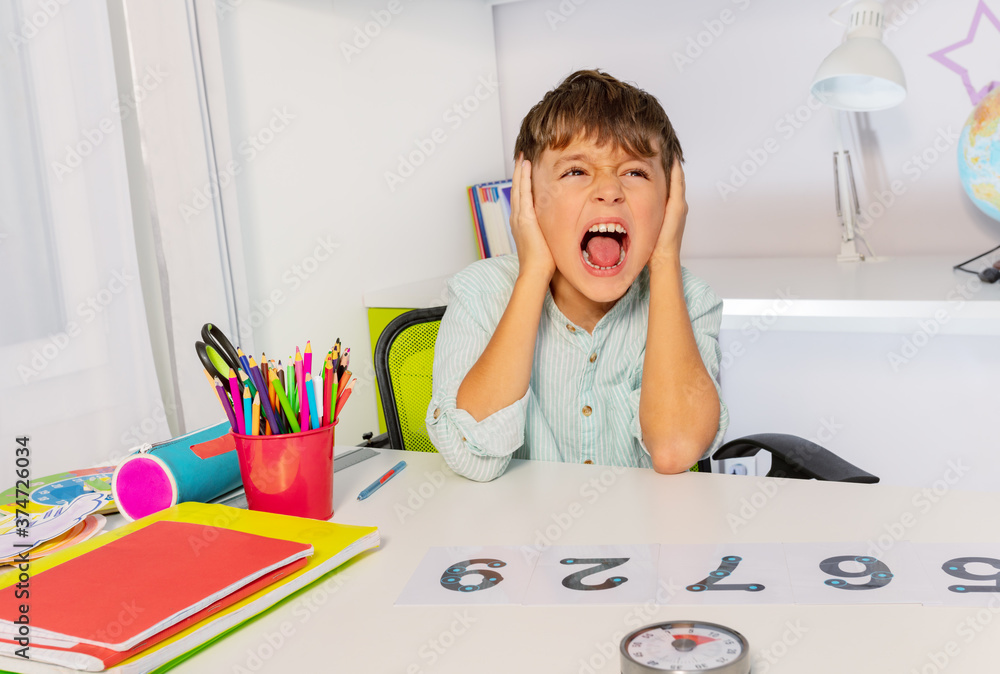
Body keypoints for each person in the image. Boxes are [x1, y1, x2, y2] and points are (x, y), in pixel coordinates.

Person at [426, 69, 728, 481]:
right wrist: (533, 271)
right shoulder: (478, 293)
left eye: (635, 172)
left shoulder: (691, 300)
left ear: (671, 199)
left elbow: (674, 451)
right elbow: (472, 459)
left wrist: (665, 259)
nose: (609, 190)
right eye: (576, 171)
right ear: (530, 195)